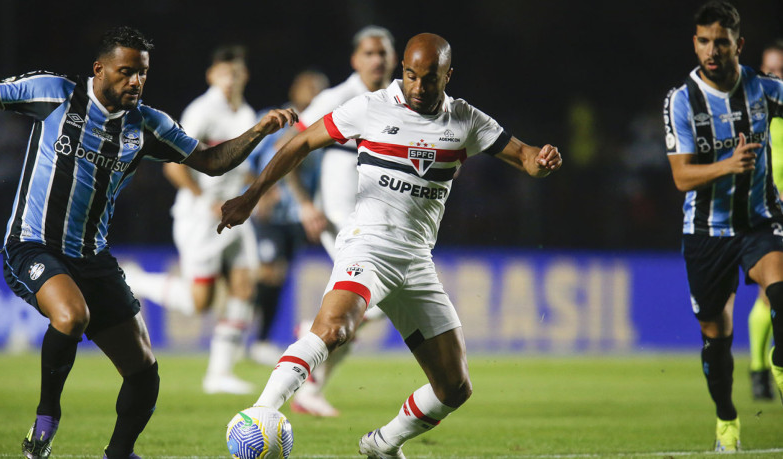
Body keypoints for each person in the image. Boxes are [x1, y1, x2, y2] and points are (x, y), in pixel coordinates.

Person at [217, 32, 562, 458]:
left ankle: (382, 444)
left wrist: (540, 162)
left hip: (417, 261)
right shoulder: (371, 107)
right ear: (403, 71)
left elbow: (524, 155)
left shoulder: (466, 120)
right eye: (412, 76)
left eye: (430, 79)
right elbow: (303, 142)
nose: (418, 87)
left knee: (454, 387)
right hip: (368, 246)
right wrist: (251, 197)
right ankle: (259, 413)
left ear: (447, 76)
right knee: (334, 329)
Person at [0, 26, 296, 459]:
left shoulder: (148, 125)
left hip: (93, 258)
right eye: (125, 73)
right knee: (72, 315)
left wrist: (260, 131)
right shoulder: (54, 94)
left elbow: (211, 162)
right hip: (32, 244)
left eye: (142, 73)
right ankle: (46, 419)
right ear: (99, 70)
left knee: (144, 371)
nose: (135, 82)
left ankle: (119, 454)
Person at [663, 1, 783, 452]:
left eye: (721, 41)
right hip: (706, 233)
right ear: (695, 43)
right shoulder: (681, 100)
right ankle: (727, 418)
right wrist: (727, 165)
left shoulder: (763, 89)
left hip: (759, 222)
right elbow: (681, 177)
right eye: (704, 41)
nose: (712, 50)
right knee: (717, 340)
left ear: (738, 44)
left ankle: (778, 365)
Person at [122, 44, 261, 395]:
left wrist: (255, 190)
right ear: (212, 76)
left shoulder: (244, 112)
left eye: (237, 73)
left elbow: (237, 166)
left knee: (245, 286)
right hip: (201, 218)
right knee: (201, 302)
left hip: (232, 214)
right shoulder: (203, 110)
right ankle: (138, 281)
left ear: (245, 76)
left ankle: (219, 373)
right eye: (225, 73)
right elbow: (173, 165)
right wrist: (205, 201)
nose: (231, 79)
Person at [286, 25, 399, 418]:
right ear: (355, 59)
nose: (377, 60)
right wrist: (304, 204)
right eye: (369, 53)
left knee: (356, 309)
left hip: (381, 221)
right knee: (376, 300)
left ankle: (311, 383)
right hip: (342, 218)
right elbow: (291, 146)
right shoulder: (337, 98)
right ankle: (310, 356)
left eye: (383, 53)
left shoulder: (398, 100)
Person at [246, 69, 330, 366]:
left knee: (278, 277)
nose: (314, 93)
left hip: (297, 216)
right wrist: (262, 192)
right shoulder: (277, 121)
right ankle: (250, 335)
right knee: (270, 272)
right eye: (309, 87)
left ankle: (259, 339)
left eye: (320, 89)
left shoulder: (324, 127)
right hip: (270, 212)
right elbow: (247, 160)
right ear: (295, 90)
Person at [747, 39, 783, 401]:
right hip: (768, 214)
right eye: (769, 69)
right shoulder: (756, 116)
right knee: (771, 293)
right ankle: (760, 369)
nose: (774, 76)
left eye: (781, 71)